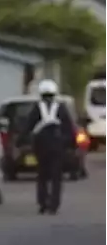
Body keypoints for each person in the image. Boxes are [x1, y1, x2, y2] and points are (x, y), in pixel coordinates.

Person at [24, 78, 76, 215]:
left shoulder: (36, 108)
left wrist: (21, 141)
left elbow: (28, 126)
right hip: (57, 147)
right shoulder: (61, 108)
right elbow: (69, 128)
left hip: (41, 146)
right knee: (56, 177)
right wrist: (71, 144)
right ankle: (54, 204)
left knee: (42, 175)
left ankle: (42, 203)